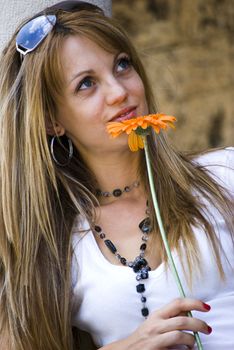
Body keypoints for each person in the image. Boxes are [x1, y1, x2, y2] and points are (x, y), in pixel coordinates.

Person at [0, 1, 233, 349]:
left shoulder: (223, 176)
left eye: (122, 65)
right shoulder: (53, 243)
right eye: (86, 84)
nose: (120, 91)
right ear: (53, 121)